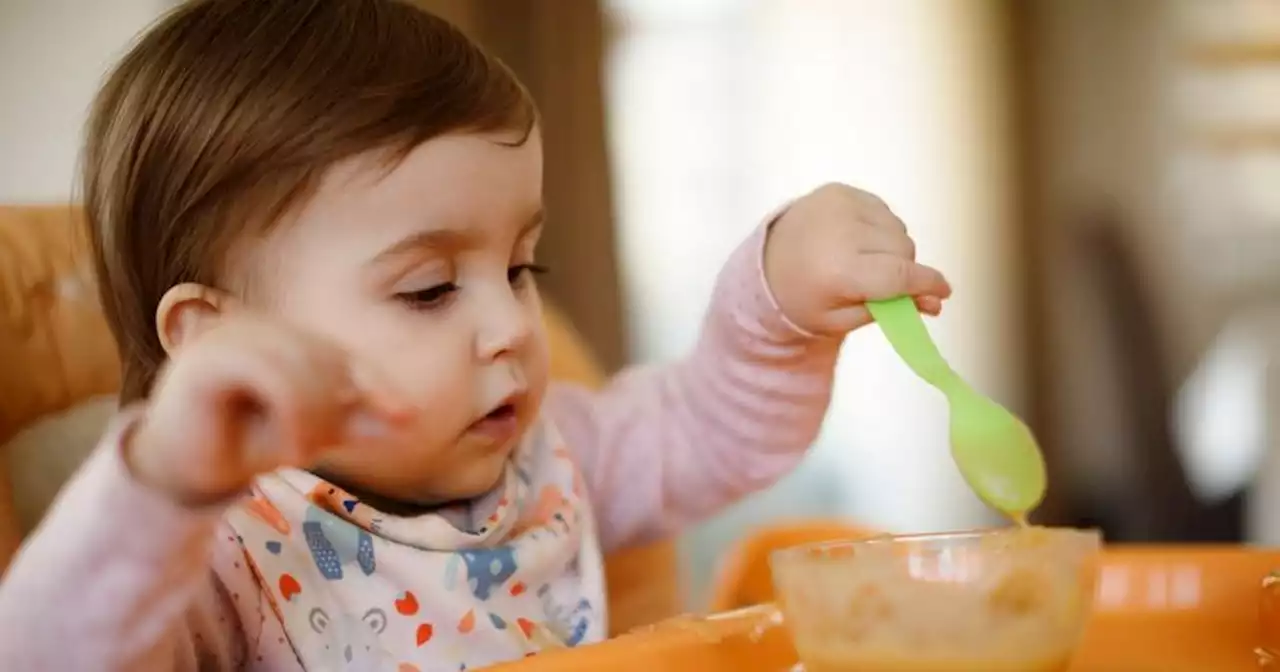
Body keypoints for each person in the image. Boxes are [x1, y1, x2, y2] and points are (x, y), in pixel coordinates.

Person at [0, 1, 950, 670]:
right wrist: (160, 488)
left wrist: (779, 295)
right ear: (213, 344)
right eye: (426, 290)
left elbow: (710, 430)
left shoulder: (553, 455)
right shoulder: (222, 554)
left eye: (521, 267)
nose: (508, 324)